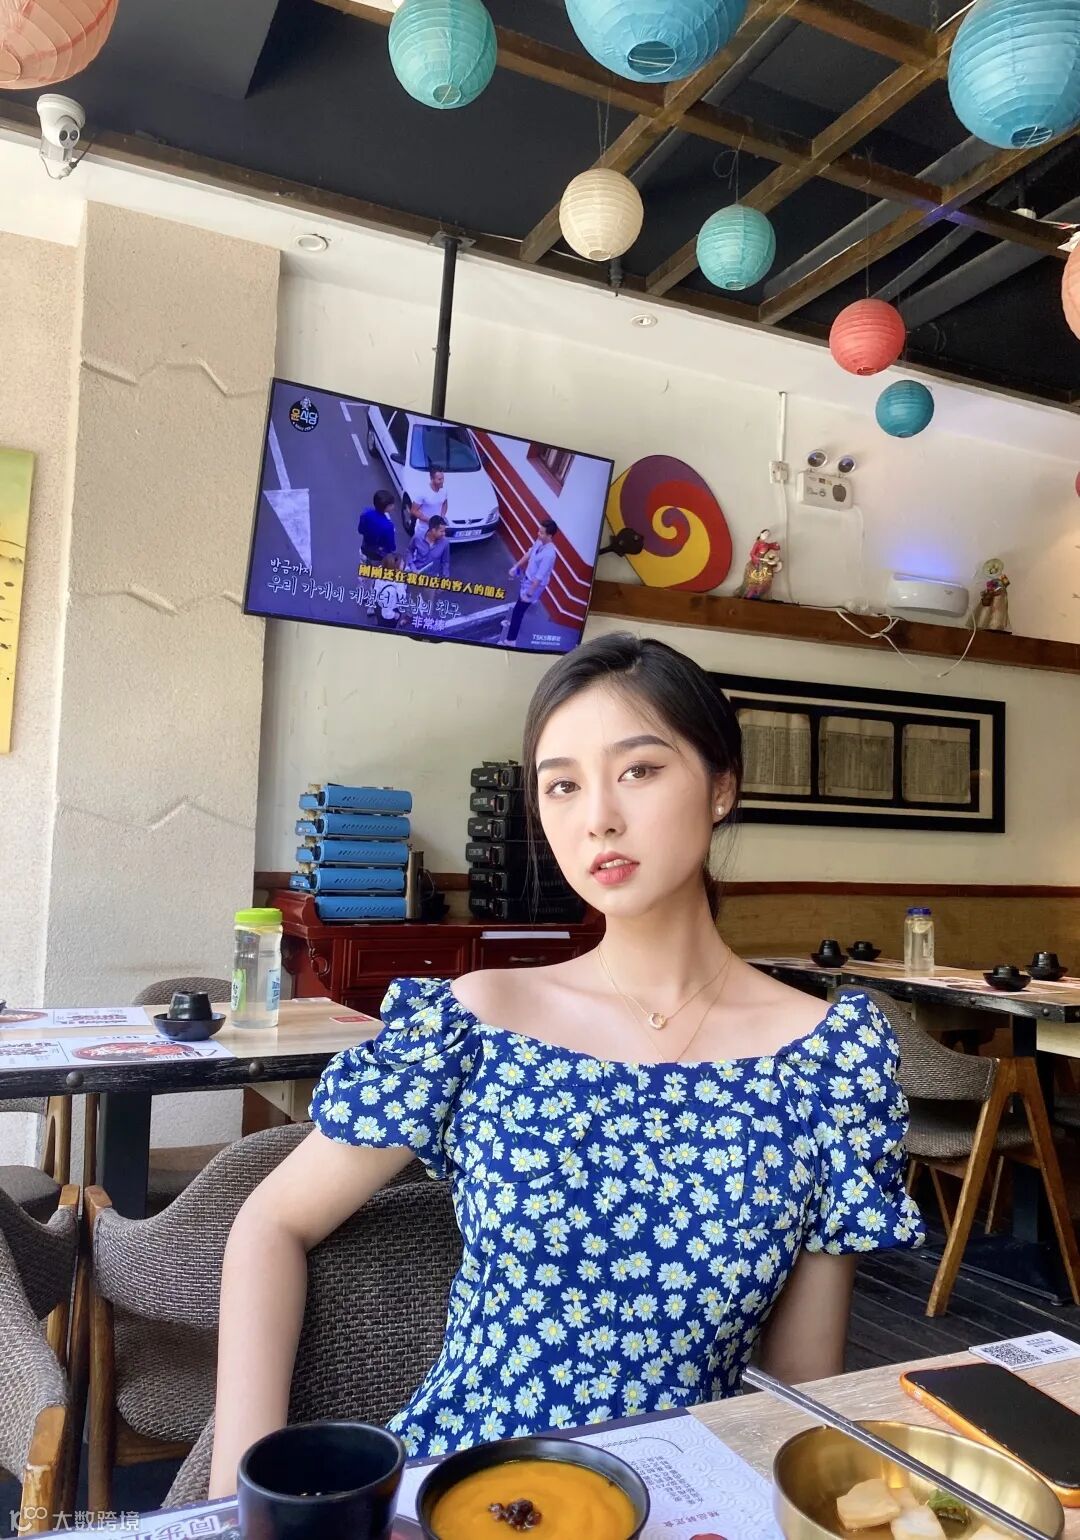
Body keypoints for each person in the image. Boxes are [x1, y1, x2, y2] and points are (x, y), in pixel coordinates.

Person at [208, 634, 923, 1492]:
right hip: (462, 1485)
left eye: (640, 770)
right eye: (563, 785)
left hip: (685, 1494)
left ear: (722, 785)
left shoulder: (828, 1062)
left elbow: (800, 1390)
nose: (599, 819)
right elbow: (271, 1223)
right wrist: (235, 1503)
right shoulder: (479, 1020)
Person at [504, 518, 558, 646]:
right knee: (519, 605)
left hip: (534, 585)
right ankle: (512, 623)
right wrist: (516, 566)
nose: (538, 534)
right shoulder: (539, 542)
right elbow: (528, 554)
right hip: (527, 579)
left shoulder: (549, 555)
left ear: (550, 536)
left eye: (542, 533)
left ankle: (510, 640)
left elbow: (539, 577)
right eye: (539, 531)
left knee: (519, 611)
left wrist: (529, 593)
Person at [406, 467, 448, 540]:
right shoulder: (422, 492)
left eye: (443, 478)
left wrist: (442, 516)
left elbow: (445, 503)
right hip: (423, 530)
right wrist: (430, 521)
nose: (442, 481)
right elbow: (413, 510)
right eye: (439, 479)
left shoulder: (444, 490)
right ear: (432, 478)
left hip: (437, 530)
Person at [406, 512, 451, 579]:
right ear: (433, 530)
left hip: (432, 577)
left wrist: (445, 576)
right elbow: (409, 551)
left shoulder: (445, 543)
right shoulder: (418, 537)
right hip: (416, 573)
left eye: (444, 531)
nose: (444, 534)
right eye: (441, 531)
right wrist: (411, 565)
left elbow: (445, 562)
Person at [357, 490, 397, 564]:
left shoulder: (366, 513)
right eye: (391, 505)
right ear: (386, 507)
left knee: (364, 562)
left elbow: (360, 530)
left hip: (365, 548)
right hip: (378, 555)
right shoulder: (388, 526)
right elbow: (391, 547)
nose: (394, 506)